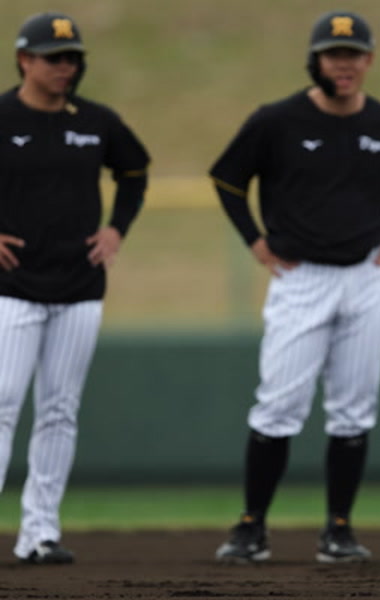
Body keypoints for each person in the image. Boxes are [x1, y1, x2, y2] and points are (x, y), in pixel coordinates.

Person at [210, 10, 380, 564]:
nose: (344, 64)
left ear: (369, 60)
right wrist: (254, 241)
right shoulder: (277, 120)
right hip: (300, 277)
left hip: (365, 277)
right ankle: (251, 526)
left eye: (353, 54)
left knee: (354, 408)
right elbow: (228, 178)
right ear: (316, 61)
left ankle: (338, 529)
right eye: (334, 54)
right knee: (278, 404)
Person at [0, 12, 149, 564]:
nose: (65, 67)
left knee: (59, 410)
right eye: (54, 58)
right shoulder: (3, 116)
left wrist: (117, 228)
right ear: (25, 60)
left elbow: (134, 171)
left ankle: (39, 533)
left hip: (79, 288)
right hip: (12, 288)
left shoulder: (96, 122)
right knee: (2, 403)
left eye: (72, 58)